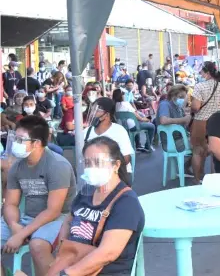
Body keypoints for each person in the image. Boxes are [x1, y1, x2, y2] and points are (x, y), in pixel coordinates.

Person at [51, 136, 145, 275]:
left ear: (116, 165)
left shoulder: (126, 202)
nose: (91, 168)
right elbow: (69, 219)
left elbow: (107, 253)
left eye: (98, 162)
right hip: (73, 260)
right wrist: (62, 248)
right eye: (88, 163)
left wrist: (68, 273)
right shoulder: (86, 192)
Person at [1, 116, 76, 275]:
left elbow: (53, 211)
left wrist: (22, 233)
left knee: (38, 246)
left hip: (59, 218)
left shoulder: (57, 165)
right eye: (15, 138)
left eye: (21, 140)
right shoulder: (17, 166)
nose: (16, 144)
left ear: (36, 143)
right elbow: (10, 204)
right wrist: (15, 226)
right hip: (27, 216)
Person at [84, 98, 135, 184]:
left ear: (106, 115)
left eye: (96, 110)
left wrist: (106, 168)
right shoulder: (86, 132)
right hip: (93, 175)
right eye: (92, 110)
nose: (93, 113)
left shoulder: (119, 131)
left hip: (117, 173)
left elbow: (126, 158)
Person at [190, 62, 220, 184]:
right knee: (216, 151)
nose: (201, 74)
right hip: (219, 121)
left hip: (201, 122)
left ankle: (198, 179)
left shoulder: (200, 87)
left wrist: (191, 108)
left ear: (207, 73)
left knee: (198, 151)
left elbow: (195, 107)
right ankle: (215, 179)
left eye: (202, 72)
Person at [113, 89, 155, 153]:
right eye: (123, 94)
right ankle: (147, 146)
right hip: (133, 127)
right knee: (151, 126)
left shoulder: (114, 105)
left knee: (136, 123)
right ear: (121, 96)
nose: (124, 95)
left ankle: (138, 145)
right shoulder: (126, 104)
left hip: (121, 127)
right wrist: (147, 119)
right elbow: (139, 118)